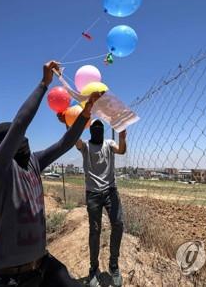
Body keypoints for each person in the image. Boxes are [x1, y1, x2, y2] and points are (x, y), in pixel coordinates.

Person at [0, 60, 102, 287]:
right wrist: (43, 84)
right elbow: (20, 124)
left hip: (43, 266)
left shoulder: (33, 161)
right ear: (6, 145)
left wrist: (86, 113)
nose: (26, 140)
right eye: (17, 138)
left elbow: (65, 144)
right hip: (10, 277)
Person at [76, 120, 127, 287]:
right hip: (92, 194)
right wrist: (69, 124)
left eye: (100, 129)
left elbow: (121, 150)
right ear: (91, 131)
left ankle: (113, 265)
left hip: (110, 191)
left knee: (118, 224)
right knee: (95, 231)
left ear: (103, 131)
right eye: (95, 129)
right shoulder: (84, 145)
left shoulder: (109, 143)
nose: (98, 131)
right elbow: (74, 139)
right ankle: (93, 268)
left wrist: (122, 137)